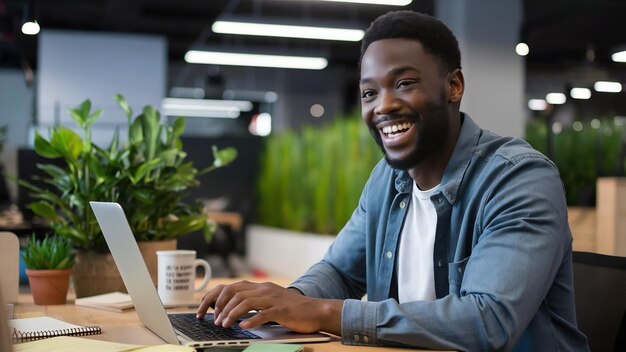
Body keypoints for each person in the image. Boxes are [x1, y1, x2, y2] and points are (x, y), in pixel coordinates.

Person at [197, 10, 589, 351]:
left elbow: (488, 321)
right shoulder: (388, 179)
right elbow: (339, 271)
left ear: (454, 87)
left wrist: (318, 312)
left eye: (404, 83)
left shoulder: (518, 178)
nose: (383, 105)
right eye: (369, 92)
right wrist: (284, 302)